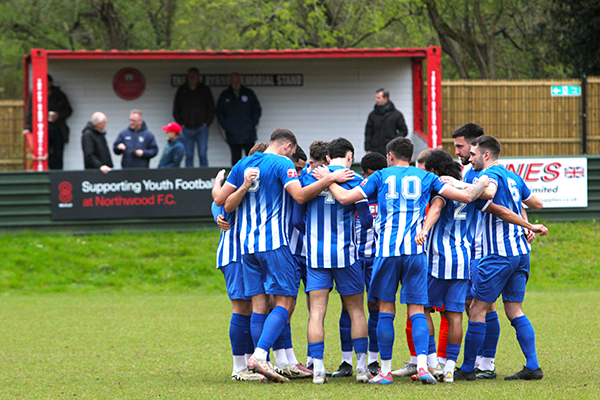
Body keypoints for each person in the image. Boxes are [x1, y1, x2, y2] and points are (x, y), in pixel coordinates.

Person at [320, 137, 490, 385]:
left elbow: (346, 199)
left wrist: (328, 180)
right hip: (415, 251)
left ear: (389, 156)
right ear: (410, 157)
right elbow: (466, 197)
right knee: (417, 310)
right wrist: (482, 181)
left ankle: (385, 371)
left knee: (386, 310)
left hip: (387, 251)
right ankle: (422, 366)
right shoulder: (426, 177)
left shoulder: (380, 176)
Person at [213, 128, 355, 383]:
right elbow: (299, 195)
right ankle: (259, 356)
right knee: (286, 302)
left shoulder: (243, 163)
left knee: (259, 306)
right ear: (288, 146)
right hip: (274, 244)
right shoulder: (282, 163)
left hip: (247, 248)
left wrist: (235, 189)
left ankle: (266, 362)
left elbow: (221, 200)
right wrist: (329, 180)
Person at [455, 135, 545, 381]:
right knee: (514, 310)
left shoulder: (489, 175)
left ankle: (467, 369)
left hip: (497, 254)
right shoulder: (513, 176)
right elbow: (537, 203)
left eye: (473, 155)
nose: (470, 159)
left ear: (486, 155)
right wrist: (526, 222)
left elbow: (495, 198)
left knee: (477, 309)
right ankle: (532, 366)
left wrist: (468, 187)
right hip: (520, 253)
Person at [293, 138, 373, 384]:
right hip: (346, 255)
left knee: (316, 313)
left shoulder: (308, 178)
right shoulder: (356, 179)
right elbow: (366, 221)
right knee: (356, 311)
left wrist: (314, 235)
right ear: (350, 156)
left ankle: (317, 370)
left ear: (327, 158)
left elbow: (296, 219)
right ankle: (362, 368)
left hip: (316, 257)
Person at [23, 74, 73, 169]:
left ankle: (57, 173)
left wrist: (58, 115)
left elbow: (68, 110)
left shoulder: (59, 95)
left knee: (58, 154)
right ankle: (48, 171)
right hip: (42, 131)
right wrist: (30, 127)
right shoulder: (34, 94)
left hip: (58, 130)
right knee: (44, 154)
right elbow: (29, 113)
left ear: (50, 83)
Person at [173, 67, 215, 167]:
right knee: (188, 155)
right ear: (187, 77)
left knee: (202, 154)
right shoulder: (182, 90)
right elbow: (176, 109)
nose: (192, 78)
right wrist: (181, 124)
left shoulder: (204, 89)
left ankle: (205, 175)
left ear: (198, 77)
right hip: (186, 128)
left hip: (202, 128)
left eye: (194, 76)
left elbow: (211, 108)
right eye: (190, 76)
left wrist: (206, 123)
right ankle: (189, 176)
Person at [217, 72, 262, 165]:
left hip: (248, 133)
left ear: (240, 81)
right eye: (233, 82)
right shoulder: (225, 95)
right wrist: (227, 126)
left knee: (251, 159)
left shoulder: (249, 93)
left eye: (237, 81)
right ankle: (237, 175)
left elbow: (257, 110)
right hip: (232, 133)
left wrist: (252, 125)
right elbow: (219, 112)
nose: (235, 84)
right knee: (236, 160)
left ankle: (253, 174)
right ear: (230, 82)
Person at [364, 88, 407, 156]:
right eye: (376, 98)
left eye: (378, 98)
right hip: (375, 151)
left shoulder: (396, 115)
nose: (376, 100)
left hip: (391, 151)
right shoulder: (372, 115)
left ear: (385, 98)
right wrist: (367, 149)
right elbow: (368, 133)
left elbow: (404, 131)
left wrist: (395, 142)